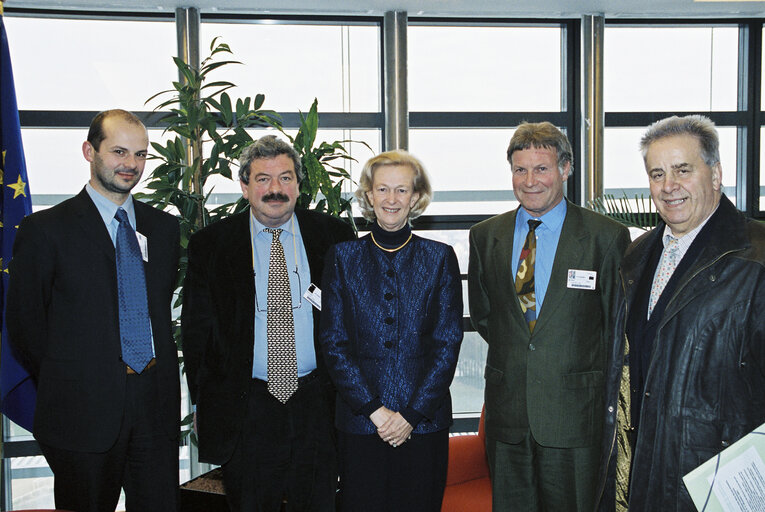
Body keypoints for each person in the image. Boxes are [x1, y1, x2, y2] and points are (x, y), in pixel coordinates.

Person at [6, 109, 181, 512]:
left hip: (154, 409)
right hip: (81, 414)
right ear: (90, 151)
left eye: (140, 155)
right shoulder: (46, 230)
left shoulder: (164, 229)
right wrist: (76, 374)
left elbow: (156, 306)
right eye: (119, 151)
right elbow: (25, 327)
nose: (131, 165)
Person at [595, 115, 765, 511]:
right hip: (640, 468)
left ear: (716, 173)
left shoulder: (756, 256)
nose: (668, 186)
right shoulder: (637, 255)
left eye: (682, 170)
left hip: (717, 479)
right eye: (657, 174)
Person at [182, 135, 355, 512]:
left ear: (298, 184)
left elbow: (354, 322)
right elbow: (197, 335)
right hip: (247, 407)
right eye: (263, 179)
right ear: (244, 186)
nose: (275, 189)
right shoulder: (211, 244)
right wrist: (203, 404)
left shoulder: (335, 236)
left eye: (286, 178)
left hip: (318, 404)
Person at [468, 122, 631, 511]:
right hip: (508, 417)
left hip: (575, 417)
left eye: (541, 168)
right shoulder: (485, 236)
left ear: (565, 169)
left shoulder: (605, 237)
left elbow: (614, 327)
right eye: (520, 170)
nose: (530, 181)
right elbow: (486, 317)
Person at [320, 150, 463, 512]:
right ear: (368, 195)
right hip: (361, 424)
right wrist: (375, 411)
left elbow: (447, 344)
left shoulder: (440, 257)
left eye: (402, 190)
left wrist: (410, 415)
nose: (391, 199)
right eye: (382, 189)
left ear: (416, 197)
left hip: (423, 426)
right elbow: (333, 343)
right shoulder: (342, 257)